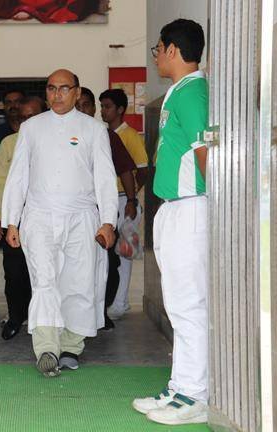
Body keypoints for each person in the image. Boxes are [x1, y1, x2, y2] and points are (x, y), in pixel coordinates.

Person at [2, 69, 117, 377]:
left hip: (82, 217)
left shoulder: (94, 129)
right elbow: (18, 176)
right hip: (39, 215)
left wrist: (108, 221)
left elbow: (105, 178)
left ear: (77, 92)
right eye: (51, 88)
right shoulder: (31, 127)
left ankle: (70, 346)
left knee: (78, 283)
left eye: (64, 88)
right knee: (44, 281)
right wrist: (11, 221)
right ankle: (46, 348)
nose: (57, 95)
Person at [132, 19, 208, 426]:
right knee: (178, 304)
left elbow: (206, 152)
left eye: (158, 49)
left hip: (192, 208)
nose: (156, 56)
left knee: (189, 304)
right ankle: (180, 386)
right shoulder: (180, 91)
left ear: (172, 50)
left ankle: (196, 395)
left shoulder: (194, 91)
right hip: (174, 209)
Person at [77, 87, 138, 330]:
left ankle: (102, 311)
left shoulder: (105, 134)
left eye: (86, 105)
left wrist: (131, 200)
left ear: (92, 108)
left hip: (102, 210)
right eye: (77, 105)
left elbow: (125, 170)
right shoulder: (58, 133)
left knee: (108, 263)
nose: (81, 109)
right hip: (73, 210)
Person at [0, 96, 45, 340]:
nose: (26, 121)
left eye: (32, 117)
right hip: (15, 219)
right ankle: (15, 317)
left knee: (42, 271)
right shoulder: (9, 143)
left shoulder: (53, 142)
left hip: (45, 217)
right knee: (14, 272)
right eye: (23, 118)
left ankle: (41, 319)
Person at [99, 88, 149, 320]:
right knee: (110, 254)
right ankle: (111, 300)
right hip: (108, 201)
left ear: (120, 109)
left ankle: (121, 303)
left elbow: (143, 169)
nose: (103, 111)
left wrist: (132, 198)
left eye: (107, 106)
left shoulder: (130, 135)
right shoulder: (102, 134)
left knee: (125, 254)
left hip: (125, 202)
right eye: (101, 106)